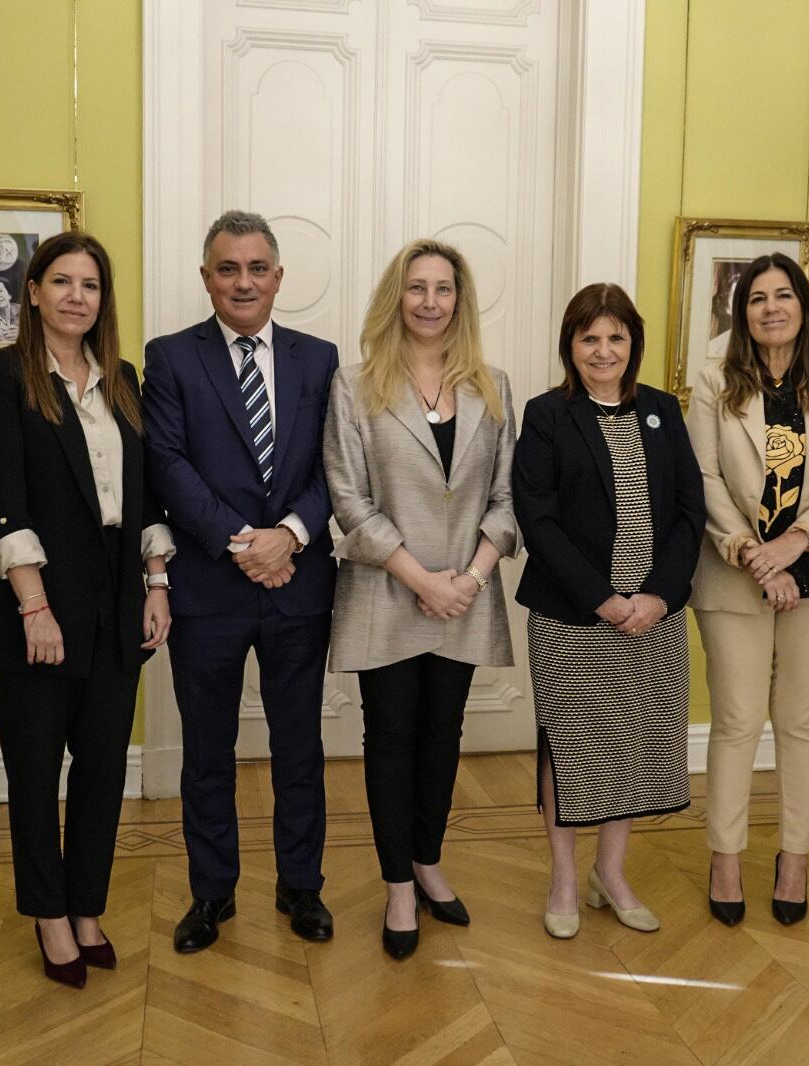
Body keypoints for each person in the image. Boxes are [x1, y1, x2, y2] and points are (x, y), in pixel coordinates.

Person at [0, 233, 172, 988]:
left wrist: (157, 584)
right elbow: (2, 499)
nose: (76, 296)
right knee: (34, 771)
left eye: (90, 284)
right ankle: (49, 914)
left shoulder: (122, 378)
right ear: (33, 292)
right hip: (39, 602)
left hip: (117, 601)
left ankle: (87, 906)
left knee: (103, 769)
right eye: (61, 281)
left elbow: (144, 493)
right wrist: (35, 607)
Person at [143, 210, 339, 954]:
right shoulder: (171, 358)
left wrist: (289, 535)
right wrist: (243, 544)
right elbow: (167, 464)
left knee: (299, 749)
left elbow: (336, 467)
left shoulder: (319, 360)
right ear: (207, 278)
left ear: (278, 277)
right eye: (228, 269)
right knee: (207, 753)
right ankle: (211, 892)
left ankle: (302, 886)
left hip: (298, 584)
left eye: (257, 268)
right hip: (208, 591)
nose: (244, 282)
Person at [323, 238, 518, 959]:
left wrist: (469, 578)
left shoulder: (494, 387)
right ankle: (398, 885)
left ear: (459, 301)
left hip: (466, 593)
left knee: (443, 735)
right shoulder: (355, 386)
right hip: (388, 592)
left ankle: (429, 860)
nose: (430, 302)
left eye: (443, 289)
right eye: (417, 288)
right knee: (391, 737)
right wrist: (423, 580)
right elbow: (349, 498)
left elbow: (507, 498)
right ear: (395, 298)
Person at [685, 253, 809, 928]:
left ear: (803, 306)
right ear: (742, 314)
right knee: (737, 721)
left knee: (801, 723)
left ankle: (794, 858)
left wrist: (795, 546)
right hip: (735, 569)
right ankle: (726, 858)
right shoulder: (714, 383)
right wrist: (753, 554)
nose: (771, 307)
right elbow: (704, 478)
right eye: (757, 298)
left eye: (783, 295)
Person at [513, 283, 704, 940]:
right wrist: (603, 598)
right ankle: (564, 879)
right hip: (573, 616)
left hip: (653, 616)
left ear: (633, 343)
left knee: (631, 742)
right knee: (572, 746)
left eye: (615, 337)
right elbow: (538, 519)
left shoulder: (662, 410)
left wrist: (658, 596)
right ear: (570, 345)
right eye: (588, 337)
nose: (602, 350)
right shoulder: (547, 415)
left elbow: (690, 512)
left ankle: (611, 874)